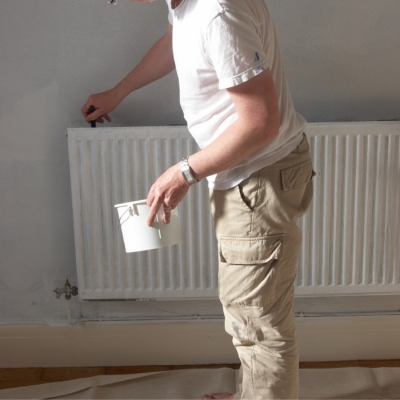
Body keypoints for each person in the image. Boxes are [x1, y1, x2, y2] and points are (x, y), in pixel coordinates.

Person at [82, 0, 314, 398]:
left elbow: (260, 122)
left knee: (257, 323)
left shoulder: (219, 13)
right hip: (247, 172)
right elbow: (176, 40)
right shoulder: (186, 5)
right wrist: (119, 91)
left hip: (257, 177)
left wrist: (185, 172)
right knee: (249, 312)